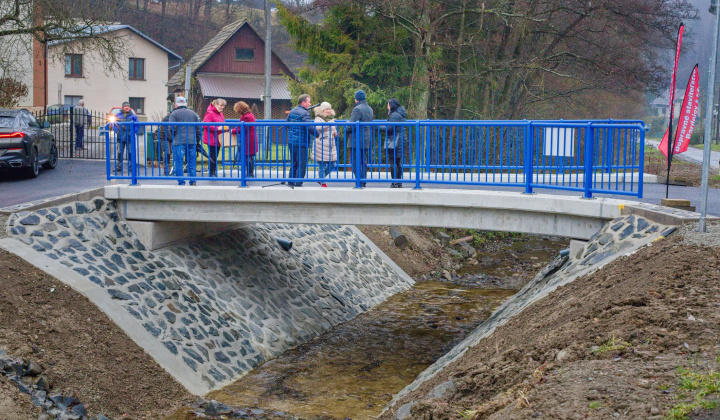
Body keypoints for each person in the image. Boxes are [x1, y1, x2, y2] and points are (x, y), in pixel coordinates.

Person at [285, 94, 319, 187]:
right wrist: (317, 134)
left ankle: (291, 181)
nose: (310, 104)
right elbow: (308, 126)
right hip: (301, 142)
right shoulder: (305, 113)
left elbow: (287, 124)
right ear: (303, 102)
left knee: (294, 162)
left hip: (292, 141)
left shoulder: (293, 111)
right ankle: (298, 182)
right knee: (302, 162)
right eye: (309, 102)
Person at [168, 96, 202, 185]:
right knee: (192, 162)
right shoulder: (193, 114)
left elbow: (172, 128)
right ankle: (193, 181)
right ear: (185, 104)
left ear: (176, 104)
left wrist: (172, 138)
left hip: (179, 141)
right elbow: (198, 129)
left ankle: (181, 182)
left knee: (179, 162)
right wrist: (197, 140)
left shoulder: (174, 114)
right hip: (192, 140)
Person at [346, 90, 374, 187]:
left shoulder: (357, 109)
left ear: (356, 99)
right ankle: (363, 181)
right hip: (366, 139)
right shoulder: (370, 109)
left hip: (356, 140)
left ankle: (359, 181)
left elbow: (351, 126)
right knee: (363, 161)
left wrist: (346, 127)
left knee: (355, 162)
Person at [381, 98, 407, 188]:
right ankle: (399, 182)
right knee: (398, 162)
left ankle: (394, 182)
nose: (387, 106)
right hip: (400, 140)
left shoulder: (394, 115)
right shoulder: (400, 114)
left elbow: (389, 128)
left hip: (395, 141)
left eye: (388, 104)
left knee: (393, 162)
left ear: (391, 106)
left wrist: (378, 127)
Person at [313, 102, 338, 187]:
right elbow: (318, 128)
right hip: (321, 144)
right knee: (322, 166)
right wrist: (330, 123)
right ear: (322, 110)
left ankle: (321, 178)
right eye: (326, 109)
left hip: (330, 145)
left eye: (329, 109)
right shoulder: (318, 118)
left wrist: (335, 132)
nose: (328, 111)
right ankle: (322, 182)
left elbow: (332, 128)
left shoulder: (330, 118)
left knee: (333, 164)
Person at [202, 98, 227, 177]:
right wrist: (217, 128)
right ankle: (212, 172)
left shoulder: (220, 113)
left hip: (218, 137)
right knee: (213, 155)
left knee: (215, 155)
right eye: (221, 105)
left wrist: (225, 127)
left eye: (223, 106)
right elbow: (205, 125)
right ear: (215, 104)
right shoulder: (210, 113)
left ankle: (213, 170)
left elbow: (222, 123)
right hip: (212, 138)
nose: (222, 107)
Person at [113, 101, 139, 172]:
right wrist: (116, 131)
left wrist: (133, 132)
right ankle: (119, 166)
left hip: (130, 137)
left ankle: (131, 167)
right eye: (125, 106)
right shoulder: (118, 115)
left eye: (128, 106)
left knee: (130, 152)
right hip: (120, 137)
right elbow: (113, 124)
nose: (127, 107)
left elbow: (137, 125)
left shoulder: (133, 116)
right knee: (119, 152)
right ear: (122, 108)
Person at [233, 101, 257, 178]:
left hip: (248, 140)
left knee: (248, 156)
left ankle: (250, 174)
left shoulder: (247, 117)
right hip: (249, 138)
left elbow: (243, 128)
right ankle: (250, 173)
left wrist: (232, 131)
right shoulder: (248, 115)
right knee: (249, 156)